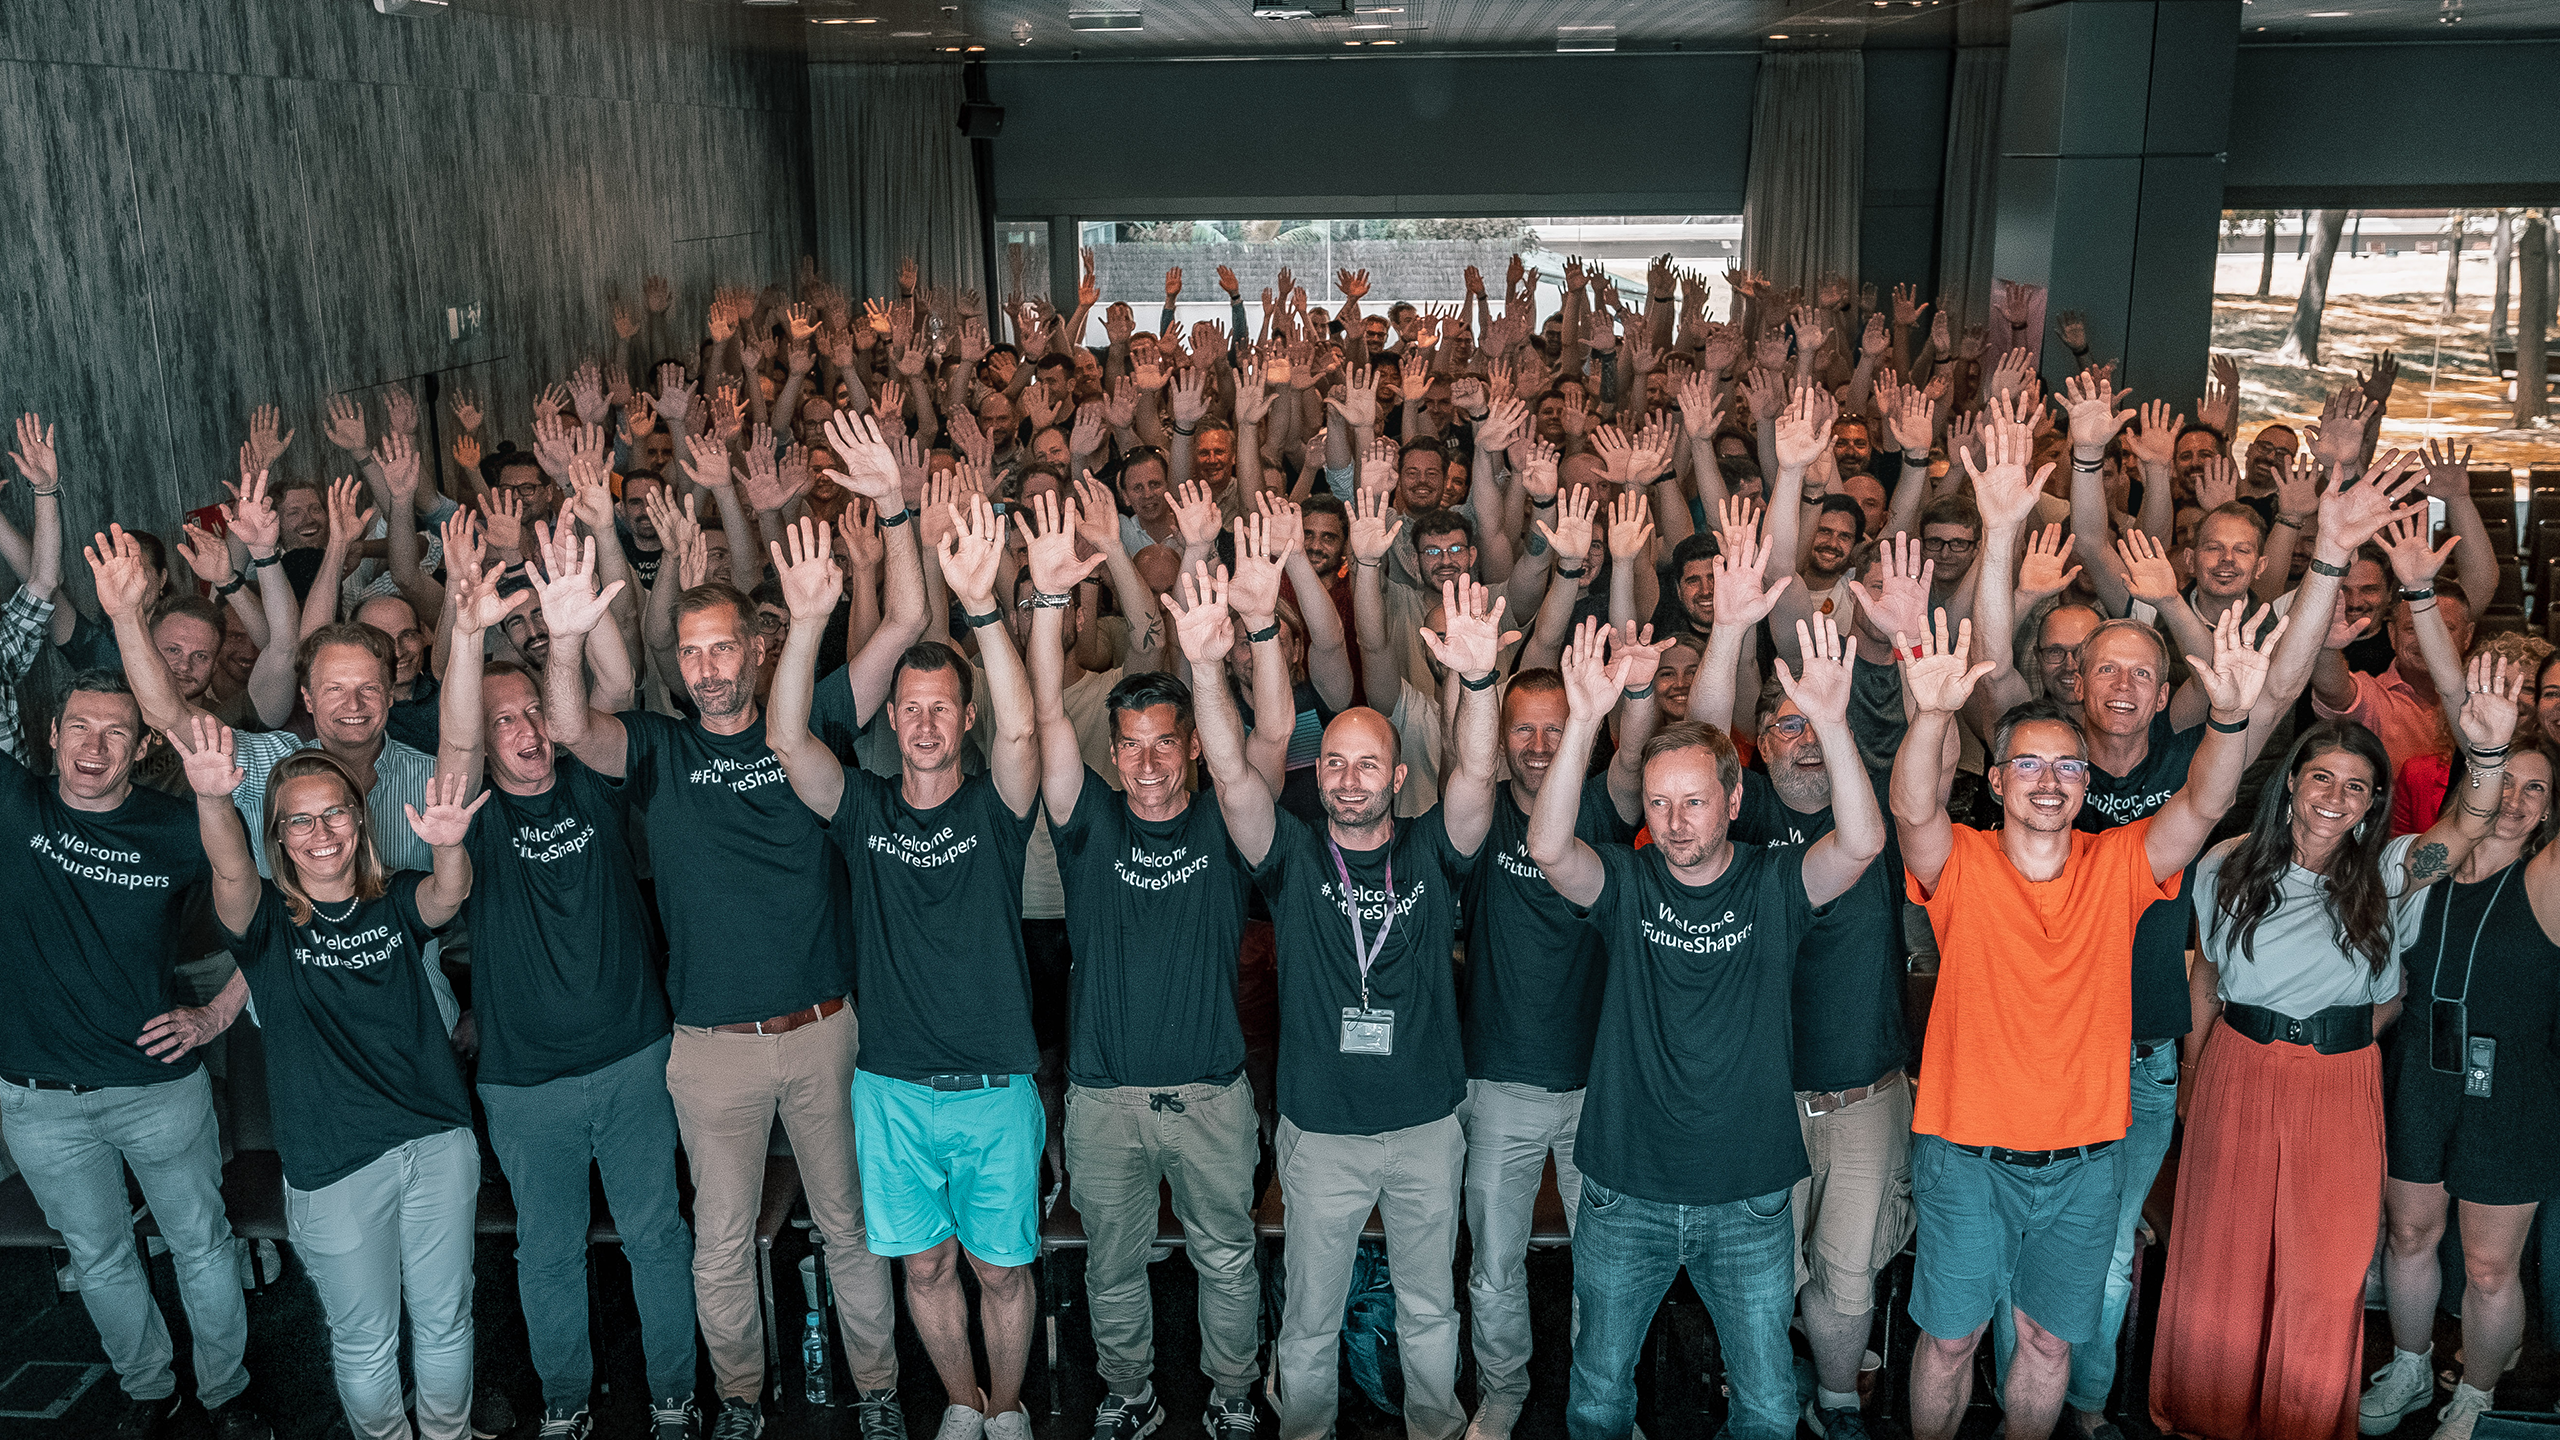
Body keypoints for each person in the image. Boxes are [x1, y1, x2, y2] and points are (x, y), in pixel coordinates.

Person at [542, 416, 923, 1440]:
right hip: (709, 1047)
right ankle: (742, 1402)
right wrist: (569, 632)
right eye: (694, 653)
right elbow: (572, 727)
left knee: (849, 1228)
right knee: (719, 1241)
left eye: (726, 649)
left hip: (824, 1029)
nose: (710, 668)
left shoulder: (818, 718)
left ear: (758, 649)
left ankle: (878, 1392)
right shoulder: (659, 752)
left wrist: (895, 509)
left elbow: (902, 627)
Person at [1891, 595, 2281, 1440]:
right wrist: (1930, 715)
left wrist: (2232, 715)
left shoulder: (2123, 863)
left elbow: (2206, 805)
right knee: (1952, 1340)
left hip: (2083, 1162)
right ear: (1996, 782)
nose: (2048, 781)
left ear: (2085, 781)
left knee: (2044, 1338)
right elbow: (1913, 809)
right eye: (2028, 766)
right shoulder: (1962, 860)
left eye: (2067, 767)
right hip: (1965, 1151)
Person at [1529, 615, 1884, 1440]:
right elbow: (1550, 848)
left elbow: (1862, 840)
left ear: (1733, 798)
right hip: (1624, 1186)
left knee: (1763, 1405)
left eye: (1694, 802)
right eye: (1660, 804)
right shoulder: (1626, 880)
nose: (1677, 821)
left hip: (1749, 1193)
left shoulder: (1775, 882)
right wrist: (1584, 718)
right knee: (1597, 1396)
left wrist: (1830, 722)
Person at [1187, 564, 1510, 1440]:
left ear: (1399, 777)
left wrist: (1478, 681)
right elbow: (1228, 777)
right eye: (1335, 763)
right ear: (1318, 775)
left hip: (1423, 1126)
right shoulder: (1290, 858)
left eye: (1369, 764)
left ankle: (1437, 1429)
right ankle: (1306, 1431)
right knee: (1309, 1319)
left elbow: (1478, 777)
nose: (1350, 778)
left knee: (1430, 1308)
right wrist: (1205, 671)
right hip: (1321, 1130)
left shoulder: (1435, 852)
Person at [2150, 670, 2514, 1440]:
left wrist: (2486, 757)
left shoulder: (2390, 875)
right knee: (2227, 1260)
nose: (2337, 795)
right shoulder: (2227, 864)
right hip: (2237, 1069)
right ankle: (2209, 1419)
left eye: (2358, 786)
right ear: (2290, 785)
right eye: (2322, 776)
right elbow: (2206, 981)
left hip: (2341, 1085)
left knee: (2324, 1267)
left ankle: (2303, 1423)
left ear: (2372, 803)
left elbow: (2469, 828)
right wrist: (2192, 1075)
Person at [767, 496, 1044, 1440]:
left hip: (994, 1084)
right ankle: (963, 1407)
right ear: (890, 716)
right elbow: (786, 743)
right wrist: (807, 625)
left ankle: (1008, 1411)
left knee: (1001, 1269)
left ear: (963, 719)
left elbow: (1021, 738)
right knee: (925, 1268)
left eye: (943, 709)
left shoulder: (996, 813)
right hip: (889, 1089)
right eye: (910, 708)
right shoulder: (864, 808)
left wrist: (981, 611)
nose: (926, 724)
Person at [1029, 496, 1295, 1440]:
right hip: (1103, 1097)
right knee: (1113, 1266)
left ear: (1188, 746)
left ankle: (1229, 1395)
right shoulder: (1089, 819)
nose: (1146, 763)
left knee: (1227, 1258)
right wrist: (1050, 607)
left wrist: (1247, 634)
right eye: (1130, 746)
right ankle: (1130, 1395)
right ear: (1115, 752)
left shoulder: (1226, 820)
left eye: (1164, 744)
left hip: (1212, 1091)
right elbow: (1046, 729)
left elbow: (1266, 738)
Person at [435, 539, 699, 1440]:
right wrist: (470, 637)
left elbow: (593, 708)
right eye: (505, 720)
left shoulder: (589, 779)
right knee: (546, 1251)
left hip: (634, 1057)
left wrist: (566, 641)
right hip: (524, 1080)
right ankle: (564, 1405)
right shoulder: (467, 814)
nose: (525, 733)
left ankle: (673, 1397)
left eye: (534, 716)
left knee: (656, 1235)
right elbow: (459, 736)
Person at [177, 728, 487, 1440]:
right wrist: (212, 798)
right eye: (300, 819)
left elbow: (447, 895)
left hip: (436, 1140)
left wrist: (447, 843)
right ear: (280, 836)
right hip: (335, 1164)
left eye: (336, 813)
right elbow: (228, 870)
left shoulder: (394, 901)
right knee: (366, 1337)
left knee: (446, 1317)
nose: (321, 831)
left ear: (358, 819)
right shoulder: (263, 925)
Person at [0, 673, 270, 1440]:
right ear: (51, 735)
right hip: (36, 1098)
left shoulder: (178, 828)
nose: (95, 747)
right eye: (79, 728)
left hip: (156, 1089)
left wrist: (218, 1013)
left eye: (116, 732)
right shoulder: (12, 802)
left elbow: (274, 911)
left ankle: (227, 1394)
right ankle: (150, 1389)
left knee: (201, 1244)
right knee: (99, 1255)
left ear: (142, 745)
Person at [1691, 526, 1915, 1439]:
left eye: (1815, 724)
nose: (1804, 743)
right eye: (1784, 724)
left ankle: (1832, 1406)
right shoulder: (1736, 817)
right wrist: (1730, 628)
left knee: (1847, 1279)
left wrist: (1892, 645)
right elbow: (1702, 738)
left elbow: (1919, 726)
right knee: (1758, 1274)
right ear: (1762, 745)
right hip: (1759, 1099)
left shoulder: (1890, 803)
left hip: (1865, 1096)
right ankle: (1763, 1403)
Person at [1454, 635, 1658, 1440]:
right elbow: (1464, 756)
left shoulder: (1603, 805)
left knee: (1604, 1274)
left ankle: (1600, 1405)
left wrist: (1632, 690)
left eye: (1555, 728)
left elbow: (1637, 756)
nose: (1539, 747)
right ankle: (1503, 1393)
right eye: (1522, 731)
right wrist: (1471, 680)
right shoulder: (1484, 810)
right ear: (1501, 739)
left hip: (1596, 1089)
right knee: (1493, 1268)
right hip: (1497, 1084)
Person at [2360, 738, 2560, 1438]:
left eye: (2534, 788)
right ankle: (2412, 1368)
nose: (2514, 798)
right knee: (2409, 1234)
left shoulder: (2547, 879)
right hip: (2419, 1071)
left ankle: (2475, 1395)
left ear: (2547, 810)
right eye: (2503, 780)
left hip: (2513, 1094)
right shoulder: (2428, 864)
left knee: (2488, 1266)